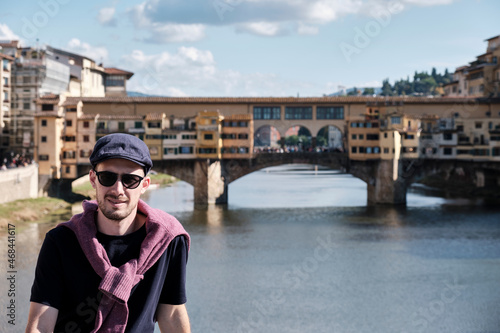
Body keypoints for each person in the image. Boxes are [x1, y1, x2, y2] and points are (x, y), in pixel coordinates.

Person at [25, 133, 191, 333]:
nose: (118, 189)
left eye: (130, 180)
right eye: (107, 177)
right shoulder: (60, 242)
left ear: (145, 185)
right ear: (93, 179)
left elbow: (171, 314)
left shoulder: (167, 240)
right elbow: (40, 327)